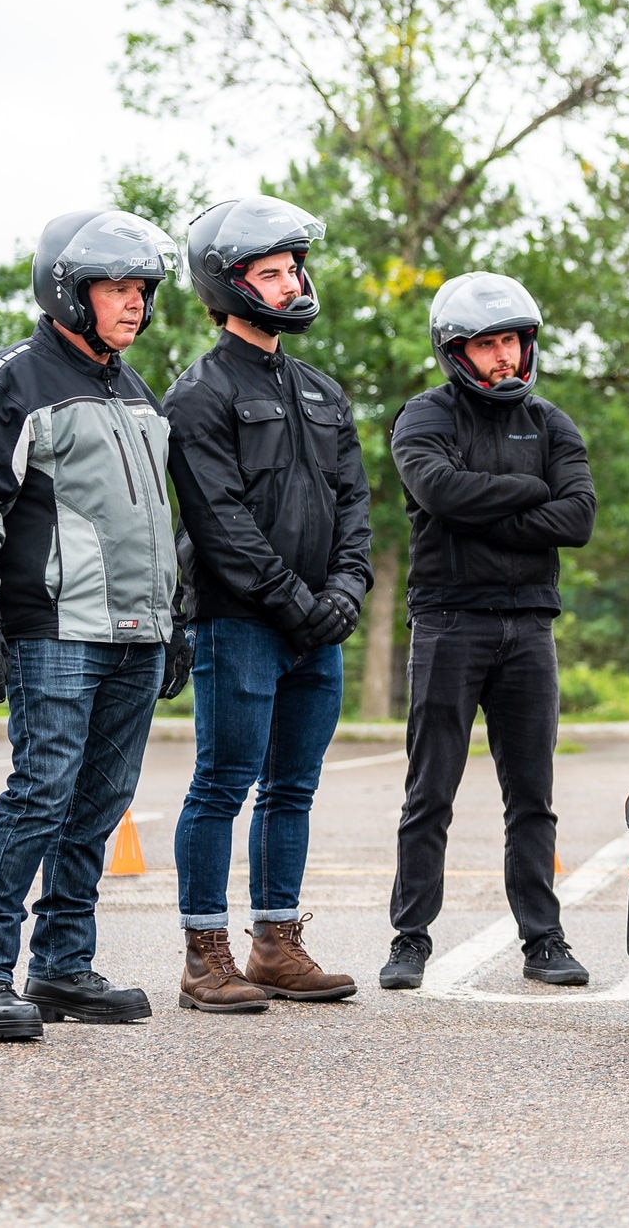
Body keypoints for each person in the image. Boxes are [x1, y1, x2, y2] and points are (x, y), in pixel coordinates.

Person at [0, 208, 189, 1040]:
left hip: (137, 635)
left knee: (100, 804)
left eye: (142, 290)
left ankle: (63, 964)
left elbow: (152, 519)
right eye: (117, 288)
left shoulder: (136, 391)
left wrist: (173, 620)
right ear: (68, 293)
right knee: (39, 795)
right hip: (56, 630)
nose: (135, 304)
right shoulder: (6, 385)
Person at [165, 196, 372, 1013]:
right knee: (222, 783)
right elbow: (219, 521)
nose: (292, 283)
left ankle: (276, 944)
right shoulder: (198, 394)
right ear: (231, 284)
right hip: (239, 623)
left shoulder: (323, 391)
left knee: (293, 788)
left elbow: (355, 504)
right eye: (273, 273)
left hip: (318, 629)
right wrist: (294, 602)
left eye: (293, 269)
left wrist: (345, 591)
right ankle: (203, 954)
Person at [380, 273, 596, 991]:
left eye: (510, 341)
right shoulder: (423, 418)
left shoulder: (554, 423)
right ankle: (410, 937)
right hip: (448, 621)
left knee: (531, 794)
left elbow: (579, 519)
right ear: (455, 352)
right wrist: (534, 492)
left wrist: (488, 509)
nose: (502, 357)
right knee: (430, 789)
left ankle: (543, 938)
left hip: (530, 625)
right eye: (485, 345)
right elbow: (438, 491)